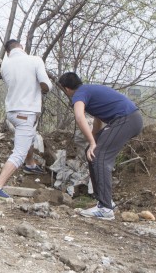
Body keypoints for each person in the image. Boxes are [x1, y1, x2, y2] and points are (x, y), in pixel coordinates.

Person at [57, 72, 144, 220]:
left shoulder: (79, 94)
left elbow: (79, 116)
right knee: (92, 152)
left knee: (98, 154)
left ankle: (105, 208)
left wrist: (92, 143)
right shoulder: (90, 90)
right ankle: (104, 201)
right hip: (130, 119)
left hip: (126, 119)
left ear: (67, 89)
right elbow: (98, 120)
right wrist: (94, 139)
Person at [0, 39, 52, 199]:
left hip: (12, 111)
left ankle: (30, 164)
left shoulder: (5, 65)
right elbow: (46, 84)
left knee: (29, 134)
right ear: (21, 47)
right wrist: (41, 89)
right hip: (26, 112)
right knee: (19, 153)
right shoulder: (35, 60)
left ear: (8, 52)